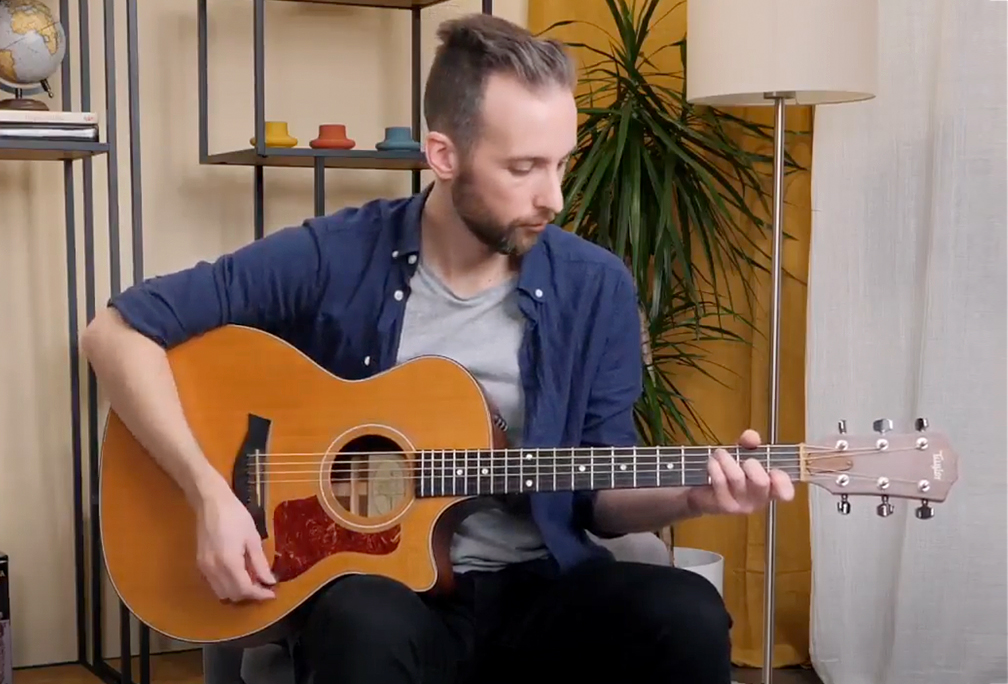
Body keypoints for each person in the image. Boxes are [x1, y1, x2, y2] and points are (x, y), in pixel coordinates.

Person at [81, 12, 795, 684]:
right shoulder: (338, 253)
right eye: (524, 168)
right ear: (443, 155)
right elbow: (115, 332)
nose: (555, 198)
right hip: (392, 597)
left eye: (561, 164)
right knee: (362, 623)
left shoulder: (595, 286)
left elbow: (598, 496)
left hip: (540, 589)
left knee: (687, 613)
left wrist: (693, 493)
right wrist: (210, 494)